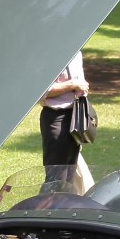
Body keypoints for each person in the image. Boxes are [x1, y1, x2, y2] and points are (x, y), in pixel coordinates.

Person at [38, 50, 89, 178]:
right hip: (56, 118)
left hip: (75, 116)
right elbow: (41, 91)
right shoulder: (47, 54)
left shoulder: (76, 53)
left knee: (70, 177)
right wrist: (73, 84)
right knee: (56, 178)